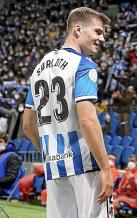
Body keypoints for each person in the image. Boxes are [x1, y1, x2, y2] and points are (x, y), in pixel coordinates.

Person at [22, 7, 114, 218]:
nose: (103, 38)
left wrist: (51, 154)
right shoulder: (83, 65)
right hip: (85, 165)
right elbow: (88, 120)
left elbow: (27, 124)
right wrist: (106, 169)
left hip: (55, 167)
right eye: (98, 32)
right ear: (78, 30)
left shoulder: (39, 68)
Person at [0, 132, 22, 197]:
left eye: (0, 141)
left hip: (6, 191)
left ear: (6, 143)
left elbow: (11, 177)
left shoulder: (12, 156)